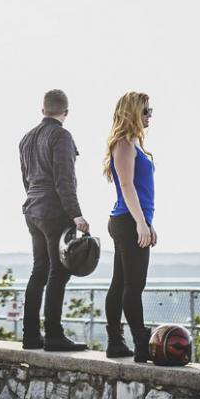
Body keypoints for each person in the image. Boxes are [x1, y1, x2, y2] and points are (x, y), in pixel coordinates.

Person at [19, 89, 89, 351]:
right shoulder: (61, 136)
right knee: (58, 272)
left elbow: (26, 179)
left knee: (39, 271)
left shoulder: (26, 139)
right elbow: (64, 180)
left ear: (43, 110)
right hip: (54, 211)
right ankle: (54, 335)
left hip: (32, 210)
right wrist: (76, 214)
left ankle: (30, 335)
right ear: (66, 112)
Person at [102, 92, 156, 362]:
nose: (150, 115)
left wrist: (147, 223)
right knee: (134, 284)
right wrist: (140, 223)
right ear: (133, 112)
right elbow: (126, 186)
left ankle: (115, 343)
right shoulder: (123, 145)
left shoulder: (135, 144)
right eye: (146, 110)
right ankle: (140, 344)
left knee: (122, 282)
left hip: (131, 220)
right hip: (127, 221)